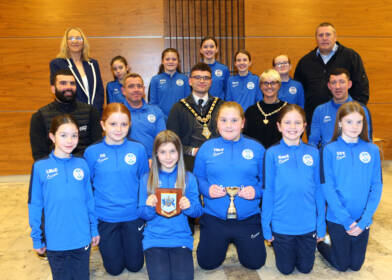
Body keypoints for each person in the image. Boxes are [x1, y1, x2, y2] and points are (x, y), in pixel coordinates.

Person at [194, 101, 266, 270]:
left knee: (255, 263)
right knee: (207, 264)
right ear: (216, 122)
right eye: (223, 120)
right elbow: (198, 178)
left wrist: (256, 191)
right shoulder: (206, 148)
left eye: (234, 120)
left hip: (248, 218)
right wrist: (207, 190)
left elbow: (268, 183)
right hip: (215, 218)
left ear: (242, 123)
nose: (228, 125)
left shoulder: (257, 149)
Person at [28, 114, 99, 280]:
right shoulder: (40, 167)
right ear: (52, 137)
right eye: (63, 135)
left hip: (81, 238)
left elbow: (89, 200)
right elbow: (35, 205)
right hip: (55, 240)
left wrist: (93, 228)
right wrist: (37, 238)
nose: (70, 140)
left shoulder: (82, 164)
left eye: (74, 135)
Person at [84, 103, 149, 275]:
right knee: (114, 270)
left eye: (124, 124)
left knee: (135, 266)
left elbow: (145, 182)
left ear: (130, 125)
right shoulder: (92, 152)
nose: (119, 129)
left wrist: (144, 212)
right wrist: (91, 221)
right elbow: (86, 188)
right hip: (105, 217)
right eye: (113, 124)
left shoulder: (139, 149)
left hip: (133, 216)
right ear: (103, 125)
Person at [318, 101, 382, 272]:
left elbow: (376, 187)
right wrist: (346, 220)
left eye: (359, 122)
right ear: (340, 122)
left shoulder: (372, 150)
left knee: (355, 266)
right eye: (349, 121)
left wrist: (365, 220)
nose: (354, 126)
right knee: (342, 265)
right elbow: (327, 187)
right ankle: (322, 244)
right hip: (338, 218)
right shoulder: (329, 149)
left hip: (362, 219)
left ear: (364, 124)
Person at [262, 104, 326, 275]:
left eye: (297, 123)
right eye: (287, 122)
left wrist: (321, 225)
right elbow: (268, 191)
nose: (292, 127)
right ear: (279, 126)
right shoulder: (272, 153)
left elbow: (319, 190)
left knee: (306, 269)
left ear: (304, 126)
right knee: (285, 269)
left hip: (308, 225)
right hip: (282, 225)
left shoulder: (313, 152)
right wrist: (266, 226)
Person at [138, 130, 203, 280]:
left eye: (172, 151)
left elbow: (198, 211)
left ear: (179, 152)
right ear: (156, 154)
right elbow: (141, 214)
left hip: (180, 238)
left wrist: (189, 207)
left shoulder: (188, 178)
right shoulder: (146, 179)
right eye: (163, 152)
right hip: (154, 239)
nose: (168, 157)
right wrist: (149, 206)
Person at [294, 22, 369, 131]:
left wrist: (354, 113)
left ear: (335, 37)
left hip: (347, 119)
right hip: (315, 120)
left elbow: (362, 89)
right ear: (316, 38)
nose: (324, 38)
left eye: (328, 34)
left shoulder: (351, 57)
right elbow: (299, 93)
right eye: (320, 35)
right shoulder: (305, 62)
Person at [30, 69, 102, 161]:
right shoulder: (39, 117)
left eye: (72, 83)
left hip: (85, 166)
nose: (69, 87)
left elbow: (96, 147)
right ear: (53, 89)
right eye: (63, 83)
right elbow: (39, 155)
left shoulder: (91, 112)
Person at [167, 62, 224, 171]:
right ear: (190, 81)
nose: (202, 81)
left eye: (206, 78)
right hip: (188, 162)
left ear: (211, 82)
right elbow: (171, 141)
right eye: (197, 77)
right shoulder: (178, 108)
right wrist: (192, 151)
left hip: (218, 161)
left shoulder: (221, 106)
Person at [309, 68, 372, 148]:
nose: (337, 86)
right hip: (327, 158)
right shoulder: (320, 110)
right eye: (333, 82)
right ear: (329, 86)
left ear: (349, 84)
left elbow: (367, 141)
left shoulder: (361, 110)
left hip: (353, 157)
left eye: (342, 82)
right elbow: (313, 142)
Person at [50, 27, 105, 115]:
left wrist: (95, 112)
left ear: (84, 42)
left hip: (94, 115)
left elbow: (99, 90)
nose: (75, 41)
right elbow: (60, 92)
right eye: (71, 38)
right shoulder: (57, 63)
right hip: (71, 115)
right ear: (66, 42)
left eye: (79, 38)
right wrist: (81, 112)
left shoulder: (93, 63)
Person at [122, 73, 166, 159]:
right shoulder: (118, 113)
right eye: (131, 86)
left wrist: (154, 160)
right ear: (123, 91)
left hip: (152, 162)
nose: (136, 89)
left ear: (144, 89)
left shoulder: (156, 111)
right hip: (126, 161)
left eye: (139, 86)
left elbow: (162, 141)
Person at [243, 69, 288, 149]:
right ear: (260, 86)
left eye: (273, 83)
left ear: (279, 85)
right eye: (265, 83)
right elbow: (245, 137)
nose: (269, 86)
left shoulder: (288, 110)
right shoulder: (251, 111)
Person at [148, 48, 191, 120]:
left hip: (181, 119)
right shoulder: (155, 79)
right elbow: (153, 104)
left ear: (178, 62)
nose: (171, 62)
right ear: (162, 61)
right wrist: (163, 117)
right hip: (161, 119)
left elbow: (188, 102)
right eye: (167, 59)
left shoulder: (185, 79)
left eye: (174, 59)